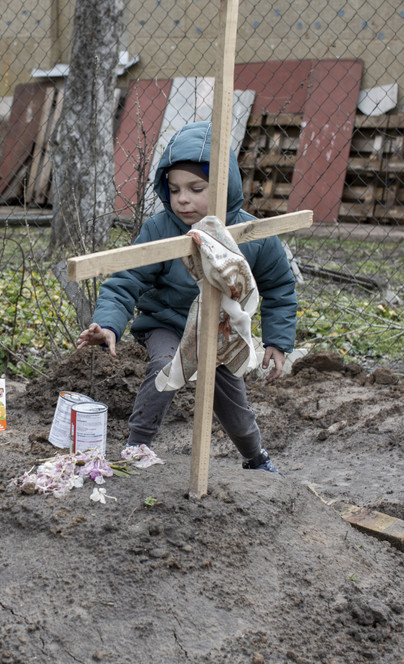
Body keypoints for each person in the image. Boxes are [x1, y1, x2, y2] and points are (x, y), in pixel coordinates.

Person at [75, 120, 297, 473]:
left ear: (224, 186)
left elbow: (280, 287)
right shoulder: (160, 230)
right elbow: (127, 278)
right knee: (166, 365)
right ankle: (137, 446)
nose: (182, 198)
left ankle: (256, 458)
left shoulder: (253, 235)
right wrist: (109, 325)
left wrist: (278, 341)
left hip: (221, 331)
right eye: (174, 188)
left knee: (234, 407)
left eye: (196, 188)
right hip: (168, 323)